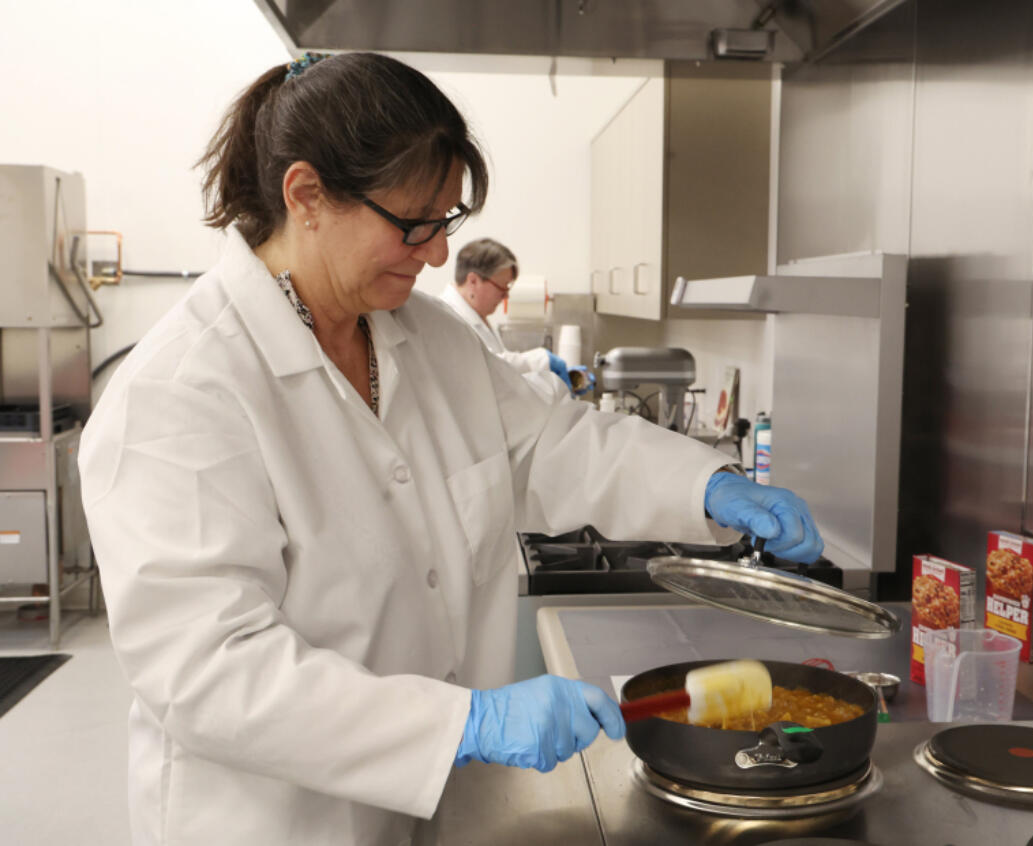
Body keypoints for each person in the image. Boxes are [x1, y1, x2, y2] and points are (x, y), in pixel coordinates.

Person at [78, 51, 823, 846]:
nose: (436, 254)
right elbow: (210, 674)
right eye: (413, 223)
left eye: (446, 220)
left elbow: (549, 443)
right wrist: (462, 723)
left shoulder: (425, 339)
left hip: (428, 812)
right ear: (307, 196)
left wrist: (707, 485)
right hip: (274, 824)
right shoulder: (182, 392)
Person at [439, 237, 574, 397]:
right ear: (473, 280)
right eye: (501, 287)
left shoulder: (476, 314)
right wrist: (541, 360)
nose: (506, 296)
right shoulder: (447, 318)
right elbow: (486, 365)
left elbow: (501, 372)